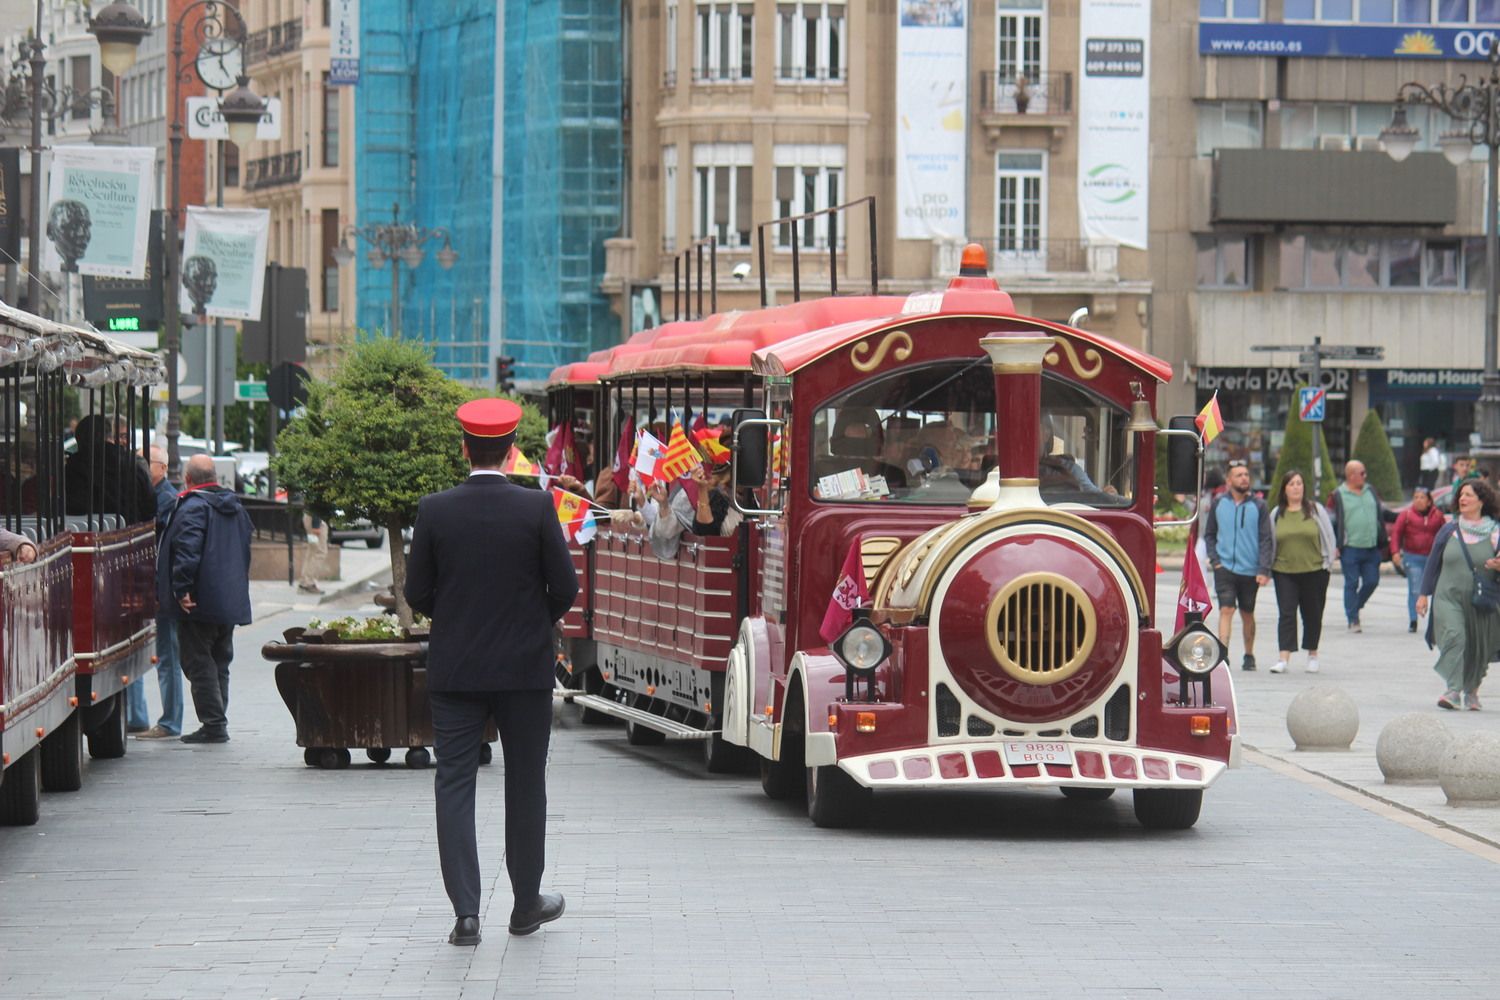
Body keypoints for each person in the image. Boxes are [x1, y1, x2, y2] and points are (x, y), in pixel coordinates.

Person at [403, 398, 579, 946]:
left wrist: (455, 619)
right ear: (510, 452)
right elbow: (566, 587)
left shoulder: (435, 510)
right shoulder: (536, 508)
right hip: (525, 671)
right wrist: (532, 623)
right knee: (527, 783)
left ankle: (466, 915)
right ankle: (526, 904)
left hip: (456, 669)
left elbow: (416, 592)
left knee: (453, 782)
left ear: (463, 448)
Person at [156, 454, 252, 744]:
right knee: (220, 660)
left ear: (188, 479)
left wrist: (182, 590)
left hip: (199, 601)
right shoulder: (235, 507)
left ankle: (213, 724)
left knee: (199, 661)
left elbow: (187, 550)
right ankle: (217, 719)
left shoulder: (193, 507)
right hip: (228, 597)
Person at [1416, 478, 1500, 711]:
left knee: (1477, 646)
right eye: (1461, 495)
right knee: (1454, 637)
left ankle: (1472, 691)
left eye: (1469, 495)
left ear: (1481, 501)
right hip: (1447, 597)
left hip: (1481, 600)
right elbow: (1432, 563)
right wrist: (1423, 594)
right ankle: (1453, 689)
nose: (1462, 499)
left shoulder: (1495, 533)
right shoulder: (1449, 530)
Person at [128, 446, 186, 739]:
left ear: (162, 468)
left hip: (159, 586)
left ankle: (170, 721)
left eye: (144, 462)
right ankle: (137, 714)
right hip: (148, 584)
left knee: (167, 654)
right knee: (137, 648)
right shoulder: (153, 497)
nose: (138, 466)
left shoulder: (165, 500)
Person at [1204, 462, 1272, 671]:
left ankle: (1249, 654)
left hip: (1250, 570)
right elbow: (1210, 534)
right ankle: (1223, 655)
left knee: (1247, 612)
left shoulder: (1259, 506)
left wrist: (1263, 569)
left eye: (1246, 474)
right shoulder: (1218, 503)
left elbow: (1265, 539)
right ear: (1229, 481)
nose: (1244, 478)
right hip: (1224, 567)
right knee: (1226, 609)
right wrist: (1215, 561)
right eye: (1239, 475)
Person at [1268, 471, 1336, 674]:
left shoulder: (1315, 510)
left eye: (1299, 483)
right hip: (1284, 570)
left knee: (1312, 614)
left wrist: (1328, 562)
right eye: (1291, 484)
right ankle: (1283, 658)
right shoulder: (1276, 514)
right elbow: (1269, 540)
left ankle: (1312, 654)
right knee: (1286, 614)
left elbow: (1329, 536)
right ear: (1284, 489)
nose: (1296, 487)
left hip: (1314, 570)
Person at [1327, 460, 1391, 633]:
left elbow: (1383, 512)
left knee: (1372, 581)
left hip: (1372, 546)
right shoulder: (1337, 495)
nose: (1365, 476)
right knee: (1352, 582)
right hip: (1350, 548)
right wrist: (1335, 544)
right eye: (1362, 473)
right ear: (1351, 475)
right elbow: (1330, 521)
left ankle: (1355, 606)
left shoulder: (1370, 491)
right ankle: (1353, 618)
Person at [64, 413, 154, 522]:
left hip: (82, 532)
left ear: (80, 441)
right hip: (131, 532)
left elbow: (66, 506)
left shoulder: (72, 469)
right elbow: (150, 508)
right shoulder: (133, 464)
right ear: (110, 435)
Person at [1391, 485, 1447, 634]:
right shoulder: (1406, 515)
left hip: (1433, 558)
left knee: (1436, 589)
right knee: (1415, 589)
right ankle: (1413, 619)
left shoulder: (1438, 515)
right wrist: (1395, 552)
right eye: (1415, 497)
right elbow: (1396, 533)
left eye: (1422, 497)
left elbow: (1446, 534)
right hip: (1412, 557)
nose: (1418, 500)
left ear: (1429, 501)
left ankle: (1436, 619)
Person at [298, 507, 330, 595]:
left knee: (312, 551)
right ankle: (308, 583)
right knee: (320, 552)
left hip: (312, 518)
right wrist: (316, 525)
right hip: (315, 520)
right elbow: (316, 502)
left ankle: (305, 582)